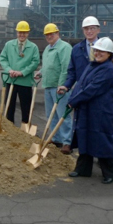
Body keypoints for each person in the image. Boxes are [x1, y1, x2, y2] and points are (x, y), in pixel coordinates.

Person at [67, 37, 113, 184]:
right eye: (96, 50)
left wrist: (74, 101)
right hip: (87, 109)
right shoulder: (92, 65)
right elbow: (81, 85)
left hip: (101, 111)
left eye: (102, 51)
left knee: (102, 138)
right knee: (84, 136)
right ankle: (83, 169)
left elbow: (92, 89)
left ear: (109, 53)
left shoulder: (108, 70)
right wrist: (73, 97)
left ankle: (110, 173)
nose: (98, 53)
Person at [34, 23, 73, 154]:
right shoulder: (47, 49)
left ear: (58, 34)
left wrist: (62, 85)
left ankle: (67, 142)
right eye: (47, 35)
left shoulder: (64, 47)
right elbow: (47, 66)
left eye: (52, 34)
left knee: (63, 115)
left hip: (60, 88)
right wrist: (40, 72)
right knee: (51, 114)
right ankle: (56, 138)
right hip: (48, 86)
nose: (49, 36)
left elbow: (65, 68)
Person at [58, 16, 113, 95]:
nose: (89, 31)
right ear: (83, 31)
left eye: (92, 28)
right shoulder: (76, 49)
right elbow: (72, 72)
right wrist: (66, 86)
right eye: (86, 28)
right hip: (81, 93)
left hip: (101, 93)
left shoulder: (107, 48)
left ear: (98, 30)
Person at [0, 21, 40, 125]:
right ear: (16, 33)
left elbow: (35, 62)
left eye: (24, 32)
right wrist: (9, 70)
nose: (22, 35)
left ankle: (25, 128)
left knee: (26, 108)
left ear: (28, 33)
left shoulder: (33, 47)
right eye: (20, 32)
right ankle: (10, 127)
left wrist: (22, 72)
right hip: (10, 80)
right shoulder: (9, 45)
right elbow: (2, 58)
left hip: (25, 82)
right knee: (9, 107)